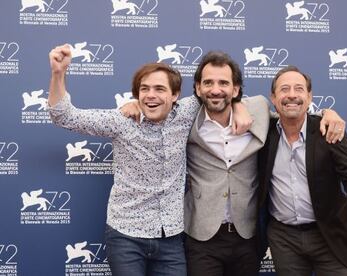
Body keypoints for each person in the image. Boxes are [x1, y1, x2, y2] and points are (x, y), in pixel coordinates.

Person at [121, 51, 346, 276]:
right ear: (198, 88)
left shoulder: (257, 108)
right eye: (208, 83)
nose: (216, 89)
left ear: (236, 90)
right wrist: (135, 105)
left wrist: (327, 113)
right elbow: (157, 104)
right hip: (201, 237)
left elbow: (291, 114)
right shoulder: (186, 117)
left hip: (246, 236)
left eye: (223, 83)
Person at [47, 44, 251, 276]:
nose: (151, 95)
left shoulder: (185, 113)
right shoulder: (121, 121)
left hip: (171, 238)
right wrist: (58, 73)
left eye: (159, 89)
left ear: (175, 96)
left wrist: (239, 105)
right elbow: (64, 116)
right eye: (144, 89)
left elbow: (218, 94)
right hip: (126, 236)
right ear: (137, 94)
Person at [258, 65, 347, 276]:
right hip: (284, 239)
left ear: (309, 96)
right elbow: (235, 103)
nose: (292, 95)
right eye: (284, 89)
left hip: (330, 234)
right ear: (273, 97)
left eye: (299, 89)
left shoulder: (329, 130)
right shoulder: (263, 132)